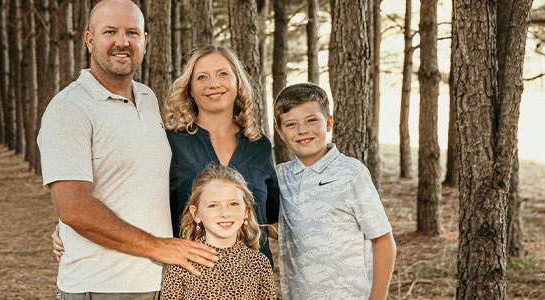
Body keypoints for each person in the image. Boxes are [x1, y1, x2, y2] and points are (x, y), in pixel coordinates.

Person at [36, 0, 217, 298]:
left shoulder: (146, 97)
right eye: (110, 32)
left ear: (144, 41)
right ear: (89, 41)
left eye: (132, 32)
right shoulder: (68, 109)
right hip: (102, 285)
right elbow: (74, 208)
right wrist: (159, 246)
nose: (122, 42)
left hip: (158, 282)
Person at [273, 83, 397, 299]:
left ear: (328, 122)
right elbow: (287, 228)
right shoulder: (280, 177)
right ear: (280, 132)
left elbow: (383, 240)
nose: (302, 130)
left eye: (312, 120)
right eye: (291, 124)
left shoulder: (351, 173)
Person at [163, 45, 280, 267]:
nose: (213, 84)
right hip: (192, 281)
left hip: (253, 283)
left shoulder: (259, 146)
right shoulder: (171, 143)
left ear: (238, 82)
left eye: (223, 74)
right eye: (202, 77)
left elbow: (273, 221)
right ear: (189, 89)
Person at [159, 164, 277, 299]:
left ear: (246, 211)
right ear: (196, 213)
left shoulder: (259, 264)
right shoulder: (182, 264)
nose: (225, 213)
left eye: (233, 204)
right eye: (213, 205)